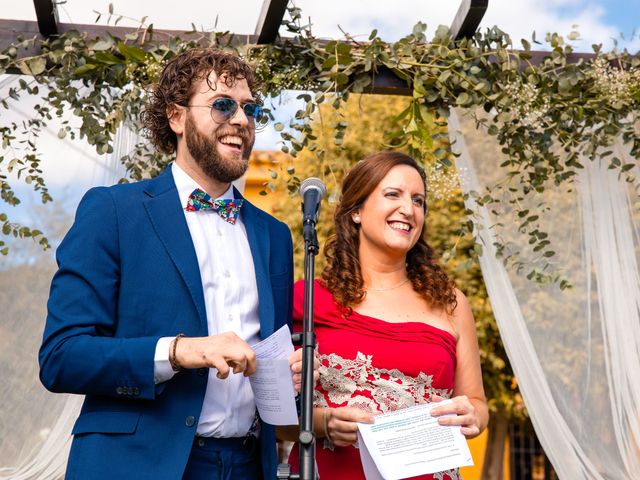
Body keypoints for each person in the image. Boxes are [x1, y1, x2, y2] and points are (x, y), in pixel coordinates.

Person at [39, 48, 305, 480]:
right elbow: (62, 357)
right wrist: (183, 351)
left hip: (248, 466)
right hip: (137, 465)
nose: (241, 119)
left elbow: (267, 364)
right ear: (176, 117)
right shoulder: (113, 211)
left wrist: (288, 375)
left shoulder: (274, 235)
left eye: (250, 108)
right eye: (222, 105)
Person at [281, 151, 489, 479]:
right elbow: (272, 418)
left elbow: (476, 401)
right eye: (393, 194)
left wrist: (474, 415)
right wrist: (323, 423)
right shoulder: (304, 299)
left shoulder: (451, 303)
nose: (408, 209)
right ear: (356, 211)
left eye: (418, 200)